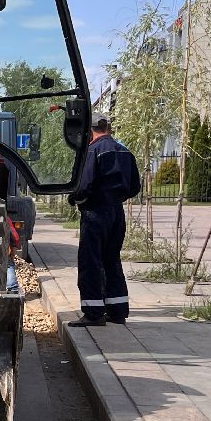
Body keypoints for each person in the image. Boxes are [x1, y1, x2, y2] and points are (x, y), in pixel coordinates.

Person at [68, 118, 141, 327]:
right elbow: (135, 186)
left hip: (95, 211)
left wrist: (74, 198)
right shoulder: (124, 151)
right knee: (111, 259)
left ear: (90, 131)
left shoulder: (92, 151)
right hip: (116, 212)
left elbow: (84, 186)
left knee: (90, 261)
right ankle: (117, 311)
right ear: (106, 128)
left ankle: (93, 313)